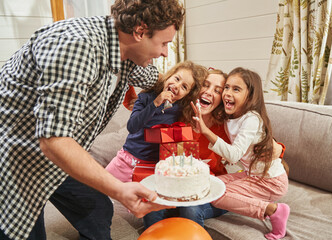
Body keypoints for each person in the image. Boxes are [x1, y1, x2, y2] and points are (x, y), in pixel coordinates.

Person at [0, 0, 185, 239]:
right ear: (140, 31)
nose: (165, 52)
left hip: (58, 153)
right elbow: (54, 139)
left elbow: (154, 78)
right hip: (18, 157)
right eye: (164, 43)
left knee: (96, 208)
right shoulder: (77, 45)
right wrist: (119, 189)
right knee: (24, 232)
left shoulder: (124, 49)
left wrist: (189, 86)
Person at [191, 67, 290, 240]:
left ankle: (273, 210)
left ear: (250, 96)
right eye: (227, 88)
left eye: (236, 89)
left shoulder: (251, 119)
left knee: (217, 194)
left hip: (270, 181)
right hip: (252, 174)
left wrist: (205, 131)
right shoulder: (229, 116)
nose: (227, 93)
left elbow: (235, 154)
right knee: (211, 184)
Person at [106, 61, 207, 182]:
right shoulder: (146, 97)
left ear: (187, 94)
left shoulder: (181, 110)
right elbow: (132, 127)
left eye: (184, 87)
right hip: (127, 160)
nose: (177, 86)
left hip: (154, 167)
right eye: (176, 79)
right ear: (168, 76)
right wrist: (156, 103)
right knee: (99, 190)